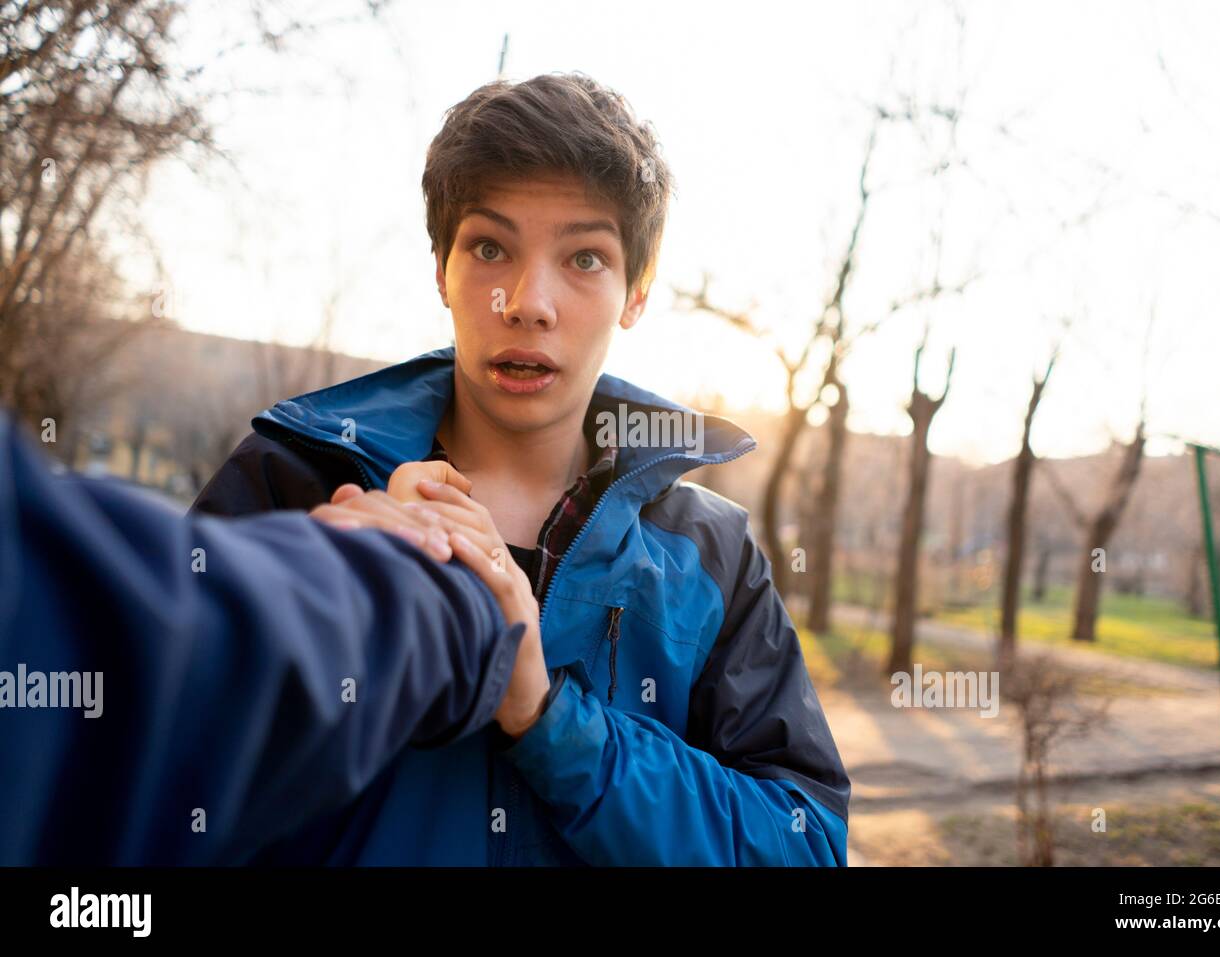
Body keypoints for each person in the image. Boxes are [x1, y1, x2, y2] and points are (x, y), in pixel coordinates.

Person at [192, 72, 851, 866]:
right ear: (442, 268)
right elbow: (138, 792)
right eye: (490, 246)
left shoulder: (712, 554)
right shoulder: (287, 485)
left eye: (583, 257)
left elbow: (805, 846)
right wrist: (324, 616)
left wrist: (550, 718)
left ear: (636, 292)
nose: (528, 300)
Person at [0, 411, 538, 865]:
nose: (529, 304)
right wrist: (437, 579)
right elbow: (193, 671)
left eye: (585, 274)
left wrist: (545, 715)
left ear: (629, 301)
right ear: (443, 280)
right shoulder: (284, 460)